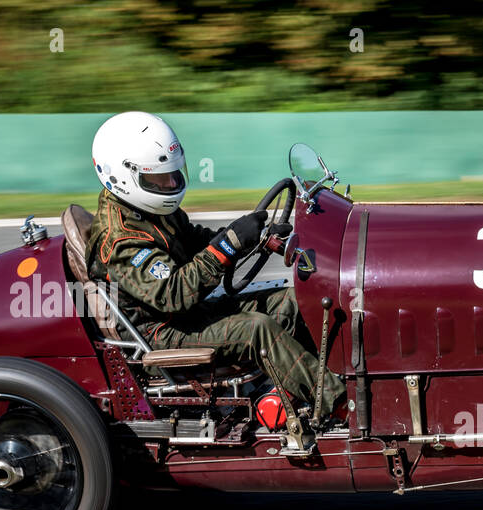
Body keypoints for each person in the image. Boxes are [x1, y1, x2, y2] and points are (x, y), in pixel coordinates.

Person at [84, 111, 345, 427]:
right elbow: (173, 293)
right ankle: (341, 404)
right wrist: (228, 246)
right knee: (256, 329)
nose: (170, 183)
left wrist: (253, 238)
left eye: (172, 174)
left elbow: (196, 241)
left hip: (186, 317)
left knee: (293, 300)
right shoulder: (120, 238)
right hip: (160, 332)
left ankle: (322, 382)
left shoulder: (149, 210)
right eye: (158, 179)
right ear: (122, 176)